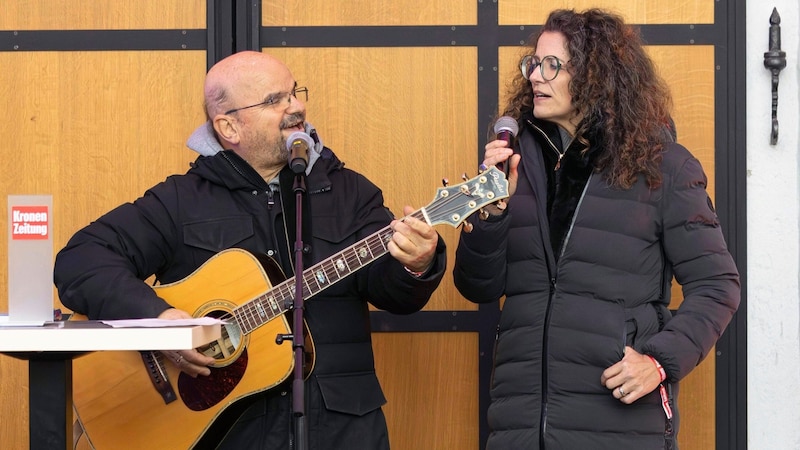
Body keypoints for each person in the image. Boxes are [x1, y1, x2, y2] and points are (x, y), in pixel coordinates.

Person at [54, 50, 446, 449]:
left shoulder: (351, 192)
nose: (297, 107)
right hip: (230, 435)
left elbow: (393, 294)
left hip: (342, 429)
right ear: (228, 126)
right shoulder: (181, 200)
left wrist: (417, 263)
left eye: (294, 93)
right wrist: (159, 320)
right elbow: (81, 260)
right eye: (275, 100)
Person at [453, 8, 740, 450]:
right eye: (534, 63)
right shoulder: (514, 165)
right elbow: (478, 286)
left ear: (597, 76)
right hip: (520, 426)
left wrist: (659, 362)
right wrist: (492, 211)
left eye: (553, 65)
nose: (535, 77)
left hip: (618, 427)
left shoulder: (662, 167)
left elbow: (718, 286)